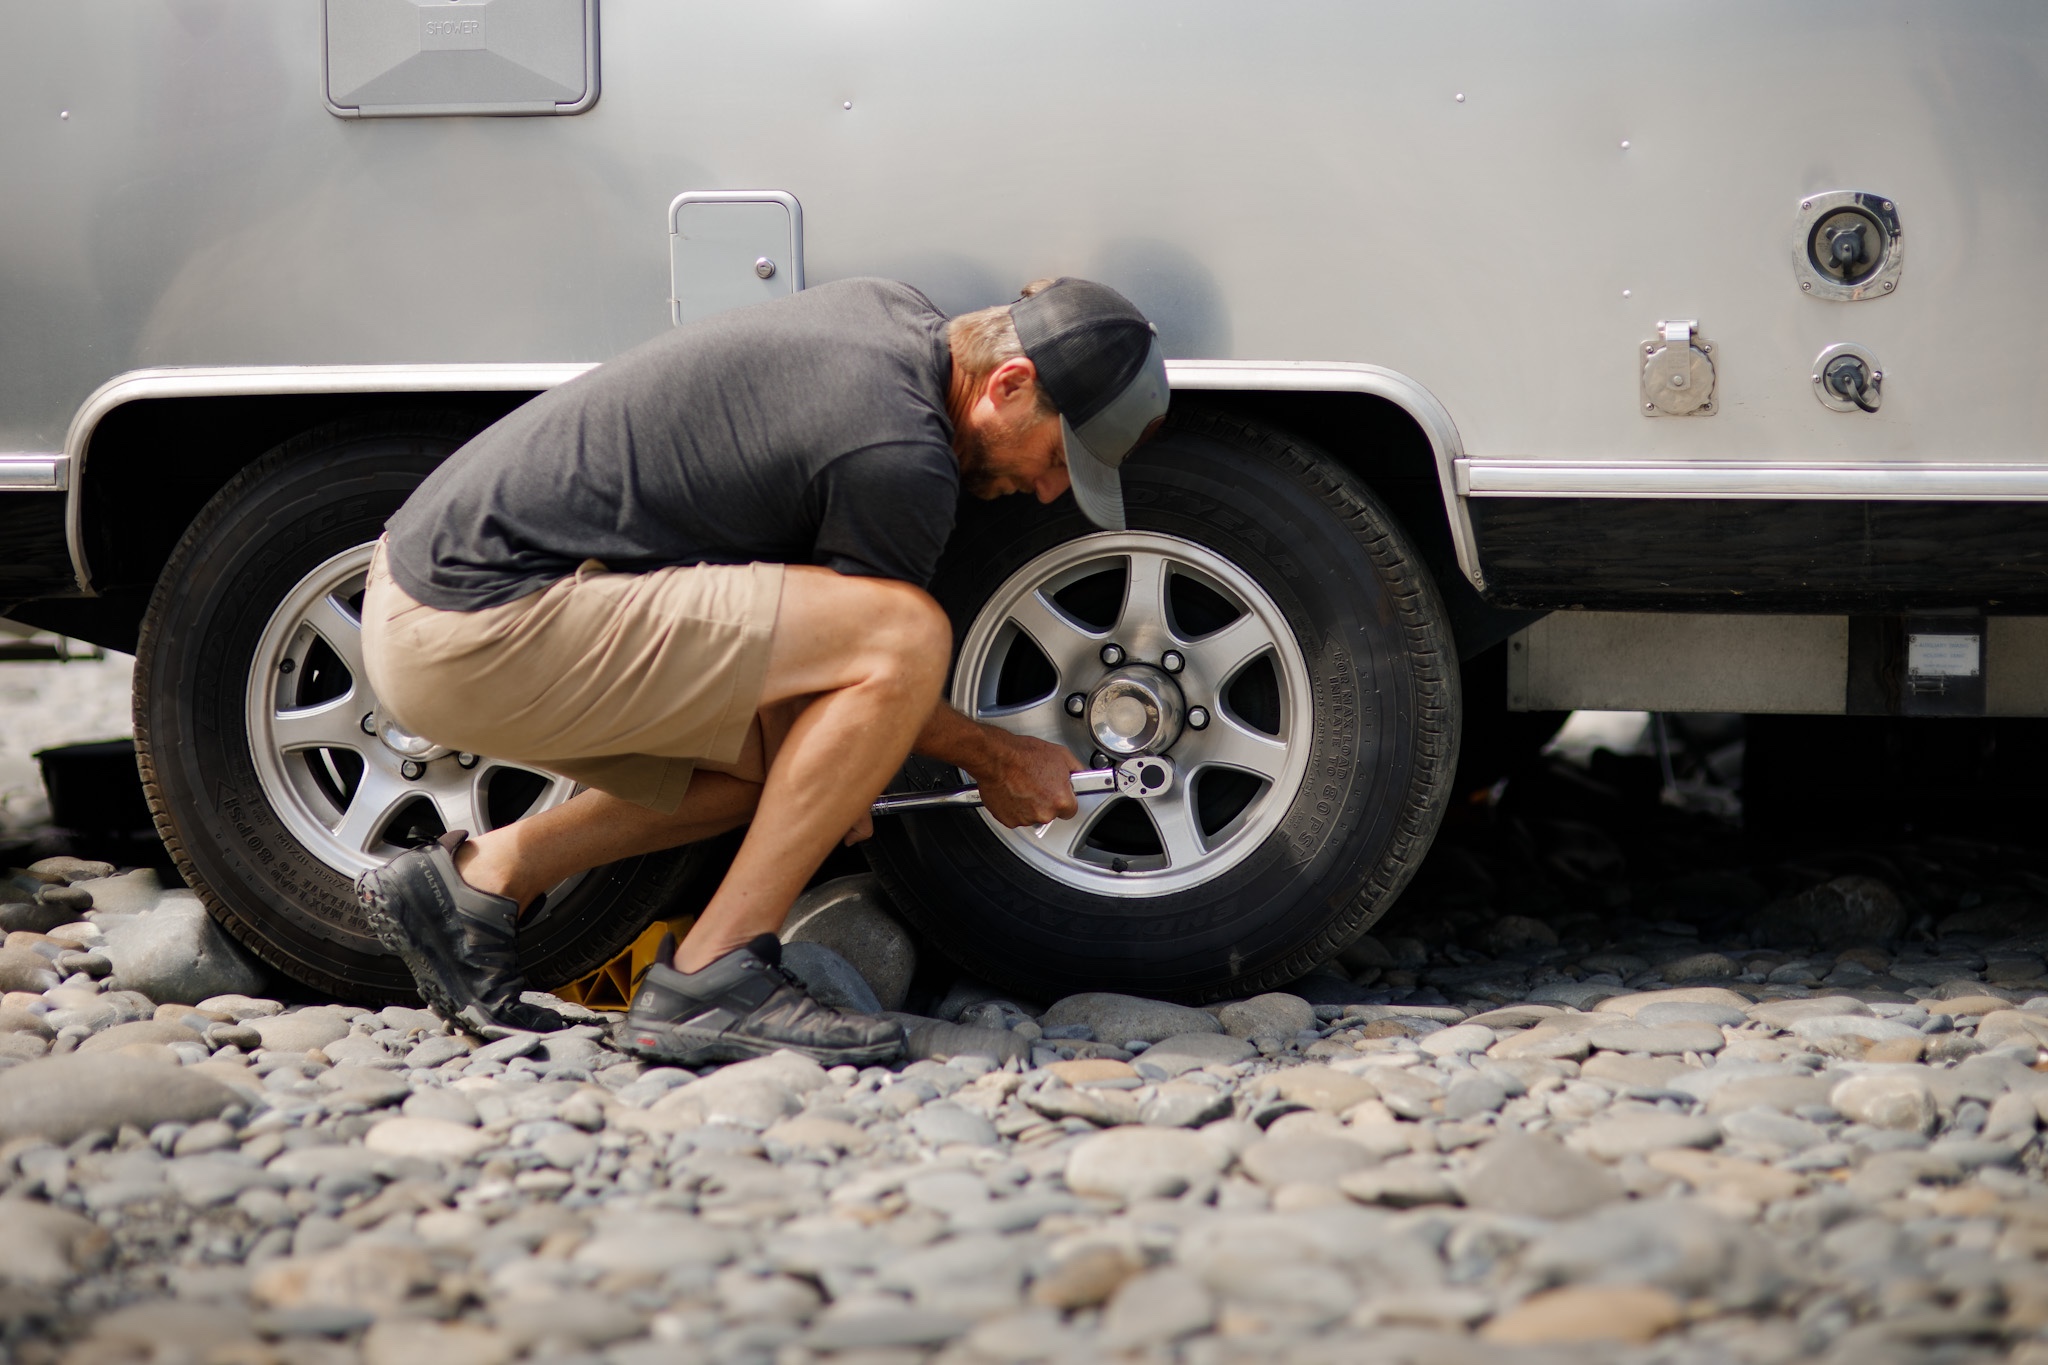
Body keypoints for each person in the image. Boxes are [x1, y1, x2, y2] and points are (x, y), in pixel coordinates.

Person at [354, 276, 1170, 1064]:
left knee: (791, 781)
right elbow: (874, 660)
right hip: (471, 621)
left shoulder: (891, 316)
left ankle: (480, 881)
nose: (1049, 488)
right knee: (906, 636)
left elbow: (800, 644)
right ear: (1010, 381)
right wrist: (999, 756)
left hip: (428, 586)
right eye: (1060, 455)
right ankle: (714, 976)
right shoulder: (900, 456)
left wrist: (831, 770)